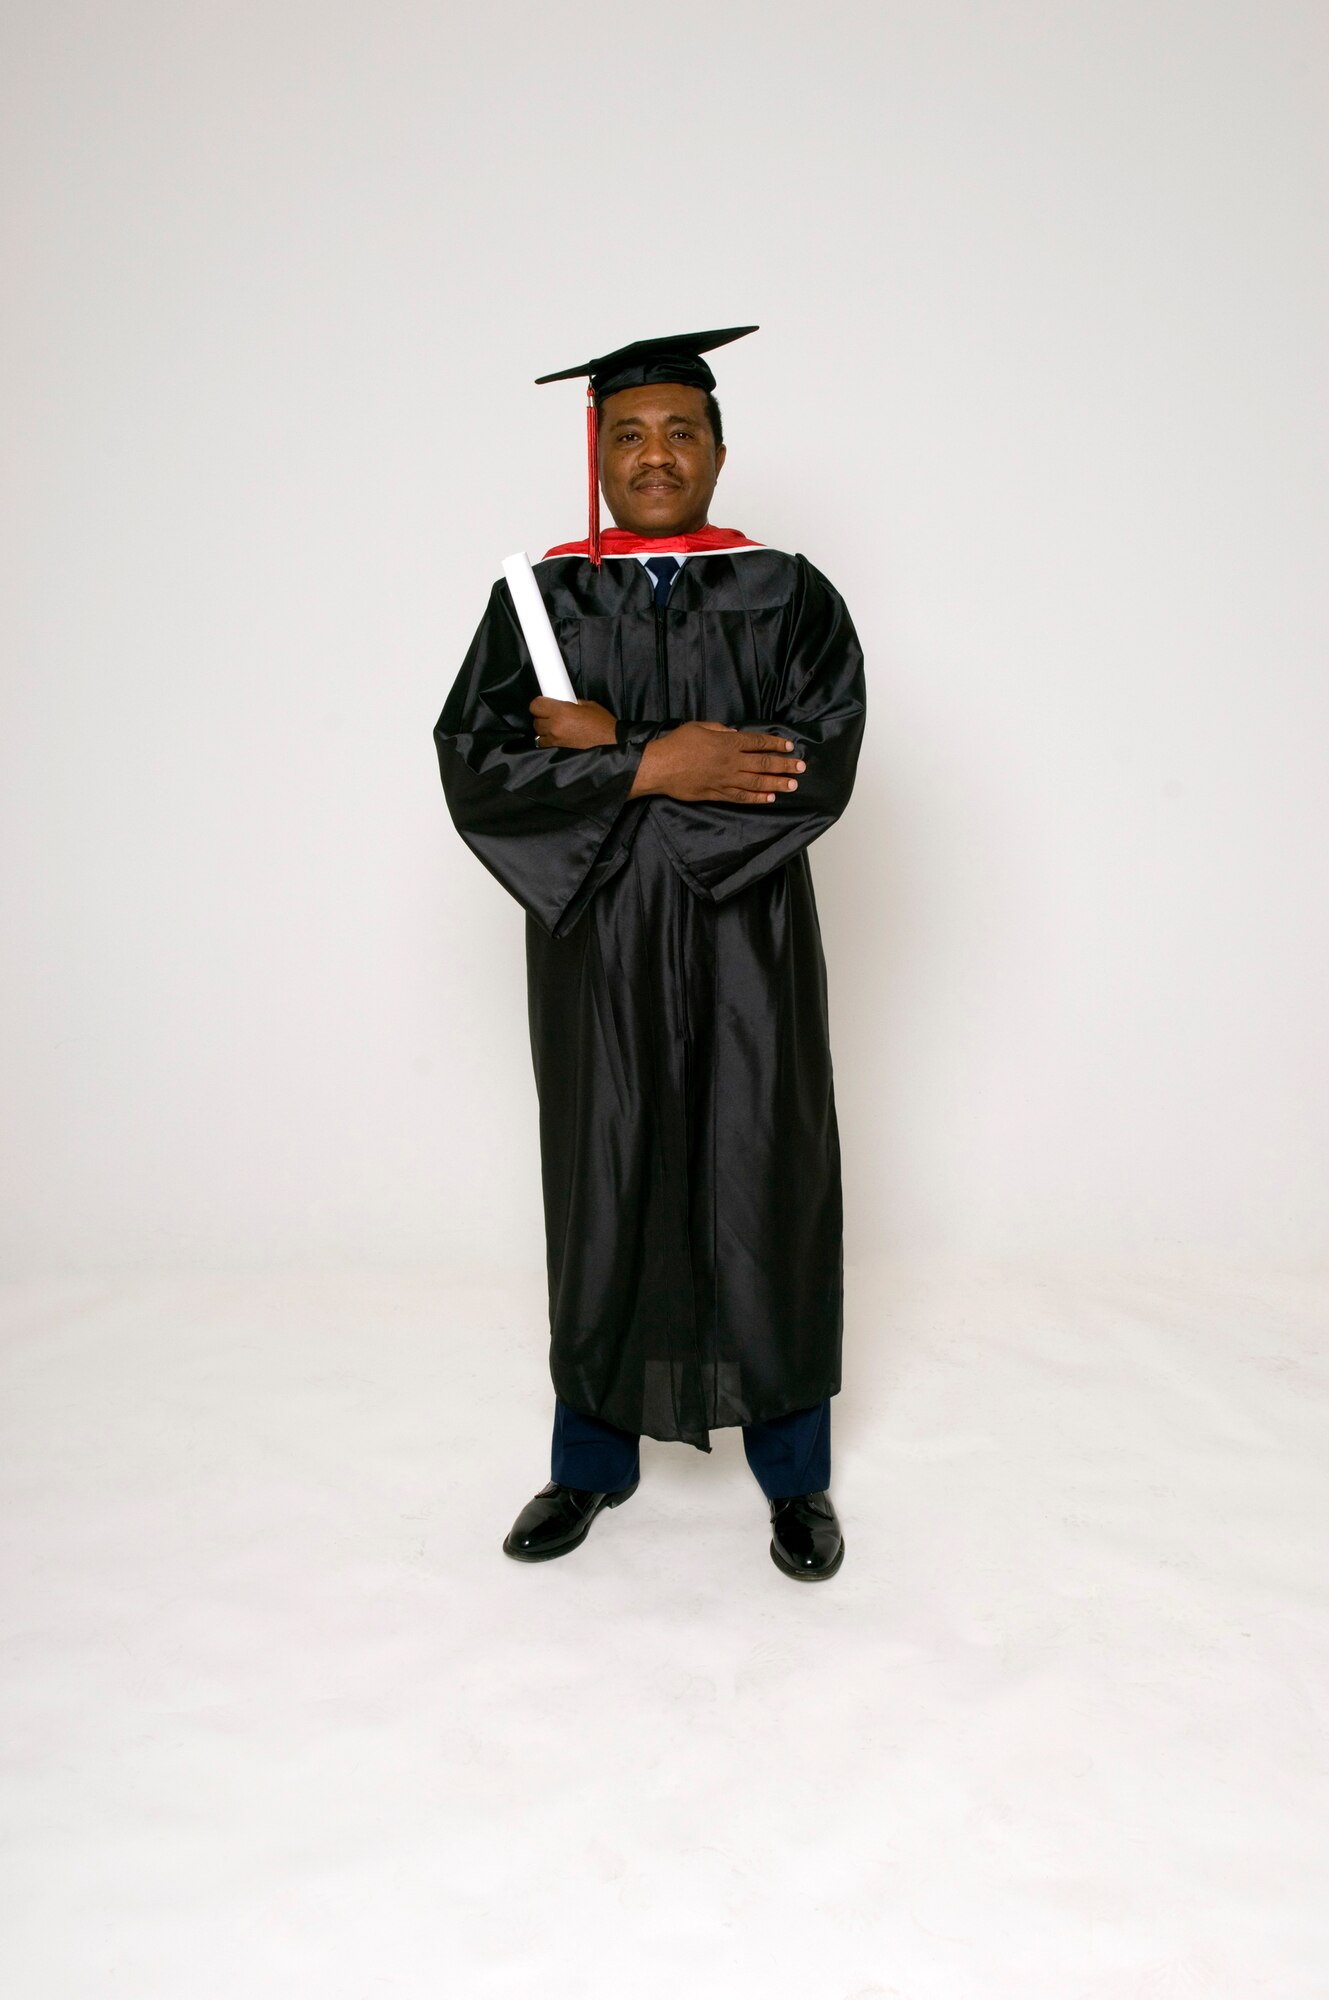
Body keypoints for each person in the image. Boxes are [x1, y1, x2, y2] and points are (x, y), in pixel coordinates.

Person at [433, 327, 866, 1580]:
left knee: (764, 1178)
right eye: (628, 432)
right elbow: (483, 767)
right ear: (598, 452)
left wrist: (616, 750)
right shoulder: (545, 602)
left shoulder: (789, 595)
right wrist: (659, 761)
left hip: (751, 946)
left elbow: (804, 764)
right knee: (601, 1177)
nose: (655, 453)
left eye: (680, 430)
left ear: (722, 449)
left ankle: (796, 1479)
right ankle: (589, 1463)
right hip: (597, 950)